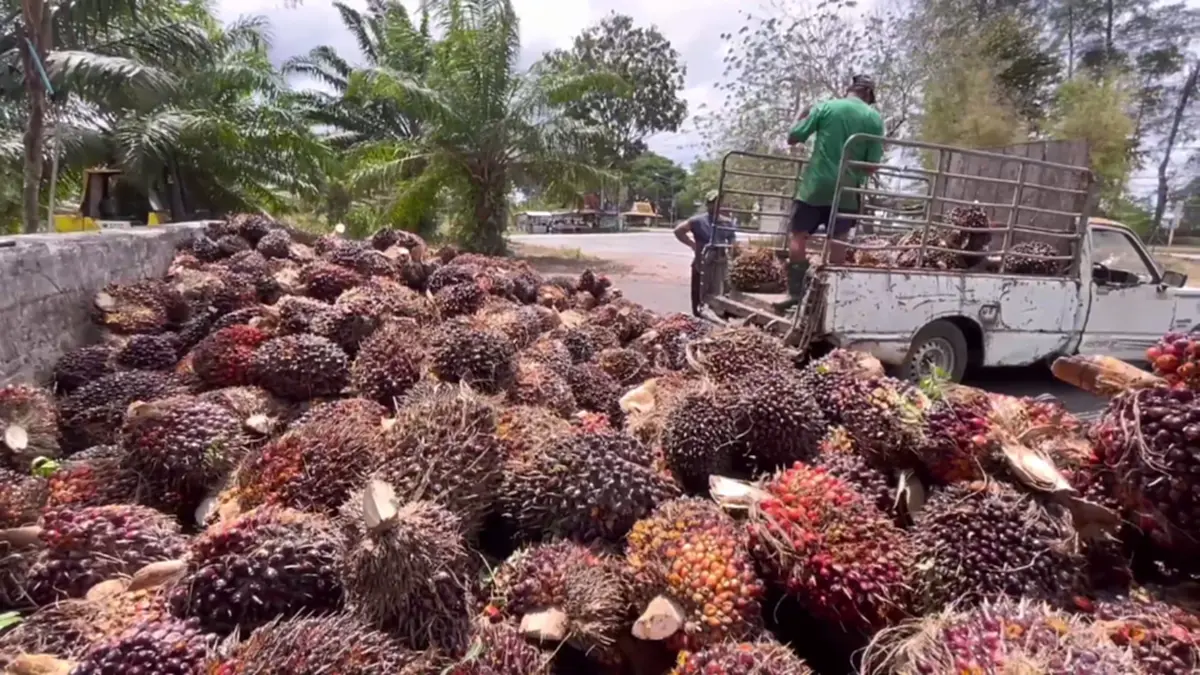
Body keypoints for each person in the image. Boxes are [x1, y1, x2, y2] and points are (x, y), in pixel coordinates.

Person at [775, 74, 885, 312]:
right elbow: (873, 166)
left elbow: (793, 138)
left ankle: (795, 295)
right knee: (837, 243)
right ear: (868, 95)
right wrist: (855, 175)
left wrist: (800, 115)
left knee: (798, 237)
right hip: (846, 190)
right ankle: (828, 300)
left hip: (815, 187)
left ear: (850, 90)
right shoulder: (873, 118)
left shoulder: (825, 107)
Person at [674, 189, 734, 317]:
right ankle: (698, 315)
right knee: (698, 295)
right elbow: (678, 231)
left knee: (719, 293)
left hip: (719, 264)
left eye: (718, 202)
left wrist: (731, 251)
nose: (716, 205)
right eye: (712, 202)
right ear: (707, 204)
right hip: (701, 262)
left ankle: (718, 316)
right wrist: (693, 245)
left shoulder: (727, 222)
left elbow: (732, 241)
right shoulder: (697, 221)